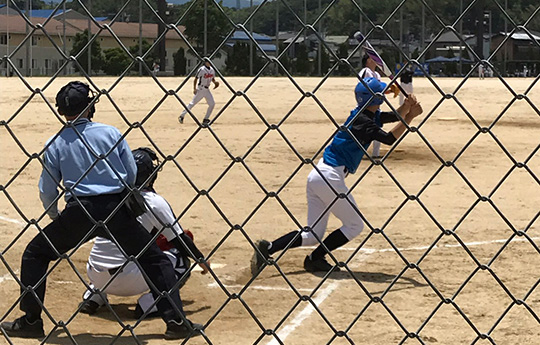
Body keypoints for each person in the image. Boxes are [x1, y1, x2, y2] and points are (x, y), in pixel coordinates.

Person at [0, 81, 203, 340]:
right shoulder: (110, 132)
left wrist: (57, 218)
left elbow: (47, 190)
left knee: (35, 254)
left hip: (80, 211)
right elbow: (130, 175)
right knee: (154, 260)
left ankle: (31, 320)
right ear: (90, 107)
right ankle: (175, 322)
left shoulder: (56, 142)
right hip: (115, 208)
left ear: (62, 111)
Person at [251, 77, 423, 275]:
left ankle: (269, 248)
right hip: (330, 177)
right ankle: (315, 258)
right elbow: (388, 138)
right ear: (375, 100)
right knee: (354, 225)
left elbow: (391, 117)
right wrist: (410, 117)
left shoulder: (362, 113)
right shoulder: (363, 121)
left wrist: (406, 109)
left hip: (318, 175)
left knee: (312, 234)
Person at [79, 147, 209, 318]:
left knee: (110, 245)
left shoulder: (107, 194)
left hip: (94, 273)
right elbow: (180, 239)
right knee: (179, 260)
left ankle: (94, 296)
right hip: (129, 281)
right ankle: (150, 303)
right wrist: (200, 259)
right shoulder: (154, 202)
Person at [178, 59, 220, 125]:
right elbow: (196, 78)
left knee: (212, 104)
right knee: (192, 103)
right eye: (208, 61)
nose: (209, 62)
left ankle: (206, 119)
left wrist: (215, 83)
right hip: (200, 89)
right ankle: (182, 116)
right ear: (205, 62)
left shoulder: (212, 69)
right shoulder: (202, 69)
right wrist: (194, 88)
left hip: (207, 90)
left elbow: (212, 78)